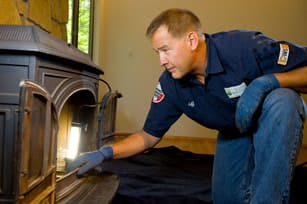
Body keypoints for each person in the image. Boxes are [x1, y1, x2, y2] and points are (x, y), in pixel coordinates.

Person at [67, 8, 307, 203]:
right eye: (157, 53)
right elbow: (148, 137)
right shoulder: (171, 84)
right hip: (234, 131)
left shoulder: (244, 46)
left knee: (283, 101)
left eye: (165, 50)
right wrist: (106, 153)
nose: (161, 61)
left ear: (191, 40)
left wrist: (271, 81)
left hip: (270, 119)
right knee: (225, 199)